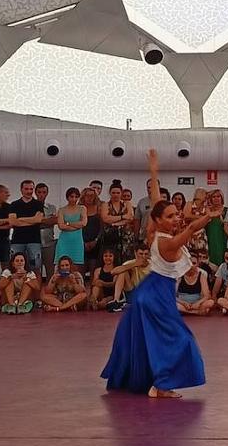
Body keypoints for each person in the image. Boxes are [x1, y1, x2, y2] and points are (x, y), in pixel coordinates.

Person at [102, 149, 216, 398]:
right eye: (171, 216)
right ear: (159, 220)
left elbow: (155, 200)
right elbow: (193, 227)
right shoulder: (167, 242)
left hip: (150, 290)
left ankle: (153, 382)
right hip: (157, 294)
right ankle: (160, 385)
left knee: (149, 339)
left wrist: (154, 172)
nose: (176, 218)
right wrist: (210, 214)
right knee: (178, 339)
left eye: (176, 214)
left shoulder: (155, 231)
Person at [55, 188, 88, 272]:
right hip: (64, 241)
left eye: (76, 197)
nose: (74, 199)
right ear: (67, 197)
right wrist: (77, 225)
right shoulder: (62, 210)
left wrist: (68, 223)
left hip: (77, 241)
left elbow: (84, 223)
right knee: (61, 264)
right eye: (71, 197)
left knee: (77, 266)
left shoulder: (82, 208)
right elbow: (61, 226)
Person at [176, 252, 216, 316]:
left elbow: (206, 296)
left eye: (194, 263)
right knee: (170, 303)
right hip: (182, 303)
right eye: (189, 263)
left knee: (210, 302)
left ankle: (185, 311)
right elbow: (172, 295)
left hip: (197, 303)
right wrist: (183, 303)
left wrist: (198, 303)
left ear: (198, 264)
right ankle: (195, 312)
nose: (191, 265)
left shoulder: (201, 275)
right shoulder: (179, 275)